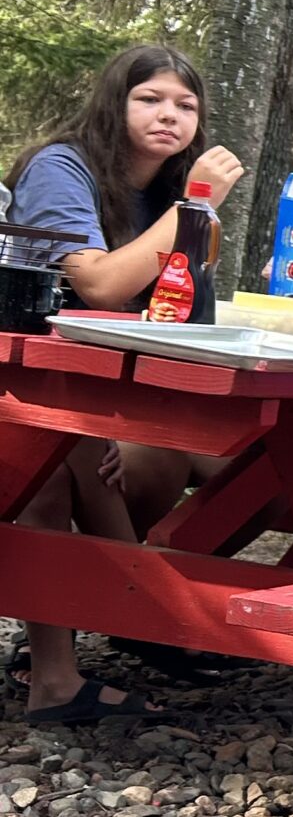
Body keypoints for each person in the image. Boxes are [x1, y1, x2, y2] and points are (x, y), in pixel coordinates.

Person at [6, 43, 245, 721]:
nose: (169, 115)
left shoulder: (161, 195)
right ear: (115, 101)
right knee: (63, 459)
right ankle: (109, 633)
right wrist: (197, 203)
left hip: (95, 393)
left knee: (252, 461)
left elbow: (175, 308)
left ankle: (140, 610)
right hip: (28, 387)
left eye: (185, 105)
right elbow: (100, 285)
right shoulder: (63, 168)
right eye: (150, 98)